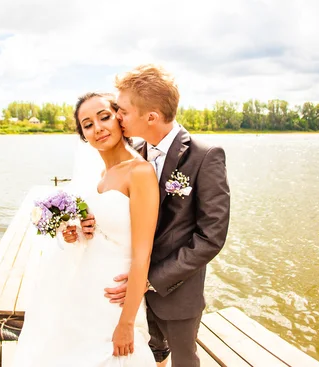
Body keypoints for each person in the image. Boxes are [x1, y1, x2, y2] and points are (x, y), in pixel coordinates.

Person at [80, 65, 231, 367]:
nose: (116, 116)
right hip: (126, 288)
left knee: (184, 361)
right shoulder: (132, 151)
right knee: (149, 357)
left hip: (175, 290)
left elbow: (211, 238)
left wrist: (149, 280)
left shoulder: (205, 156)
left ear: (150, 117)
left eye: (121, 111)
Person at [11, 92, 159, 366]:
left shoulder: (140, 172)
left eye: (104, 117)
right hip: (83, 284)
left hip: (115, 294)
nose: (98, 128)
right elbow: (97, 229)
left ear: (120, 118)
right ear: (83, 135)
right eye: (87, 124)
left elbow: (143, 255)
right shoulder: (98, 176)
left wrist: (126, 322)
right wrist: (77, 232)